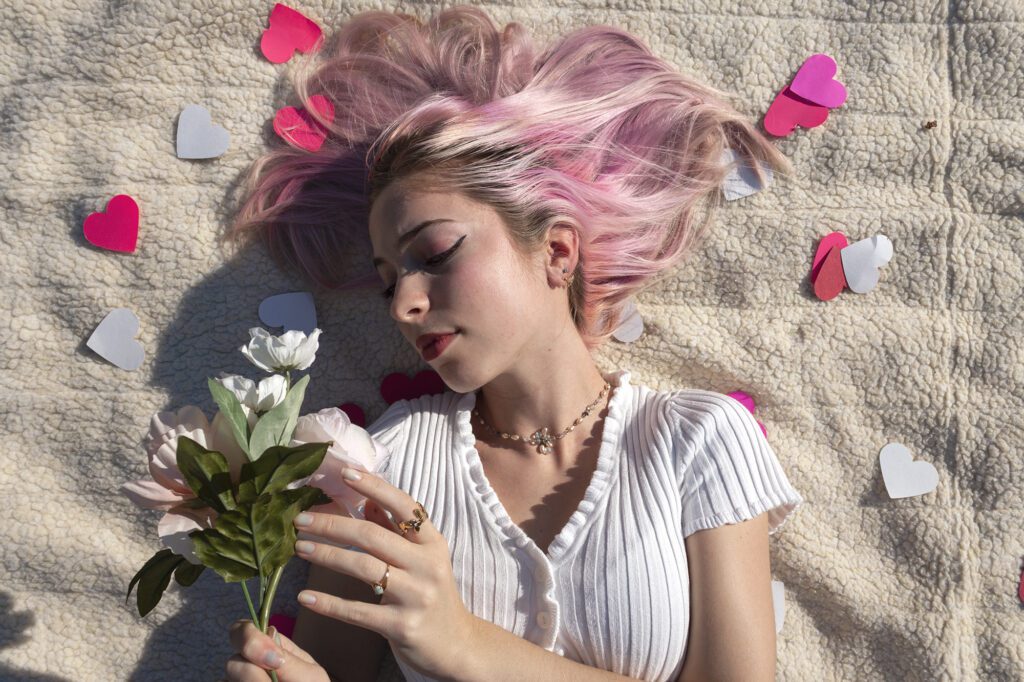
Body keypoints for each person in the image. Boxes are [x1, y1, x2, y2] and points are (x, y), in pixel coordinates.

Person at [218, 5, 804, 681]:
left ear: (557, 250)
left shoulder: (697, 441)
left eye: (433, 253)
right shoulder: (386, 464)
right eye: (387, 284)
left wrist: (464, 645)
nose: (404, 305)